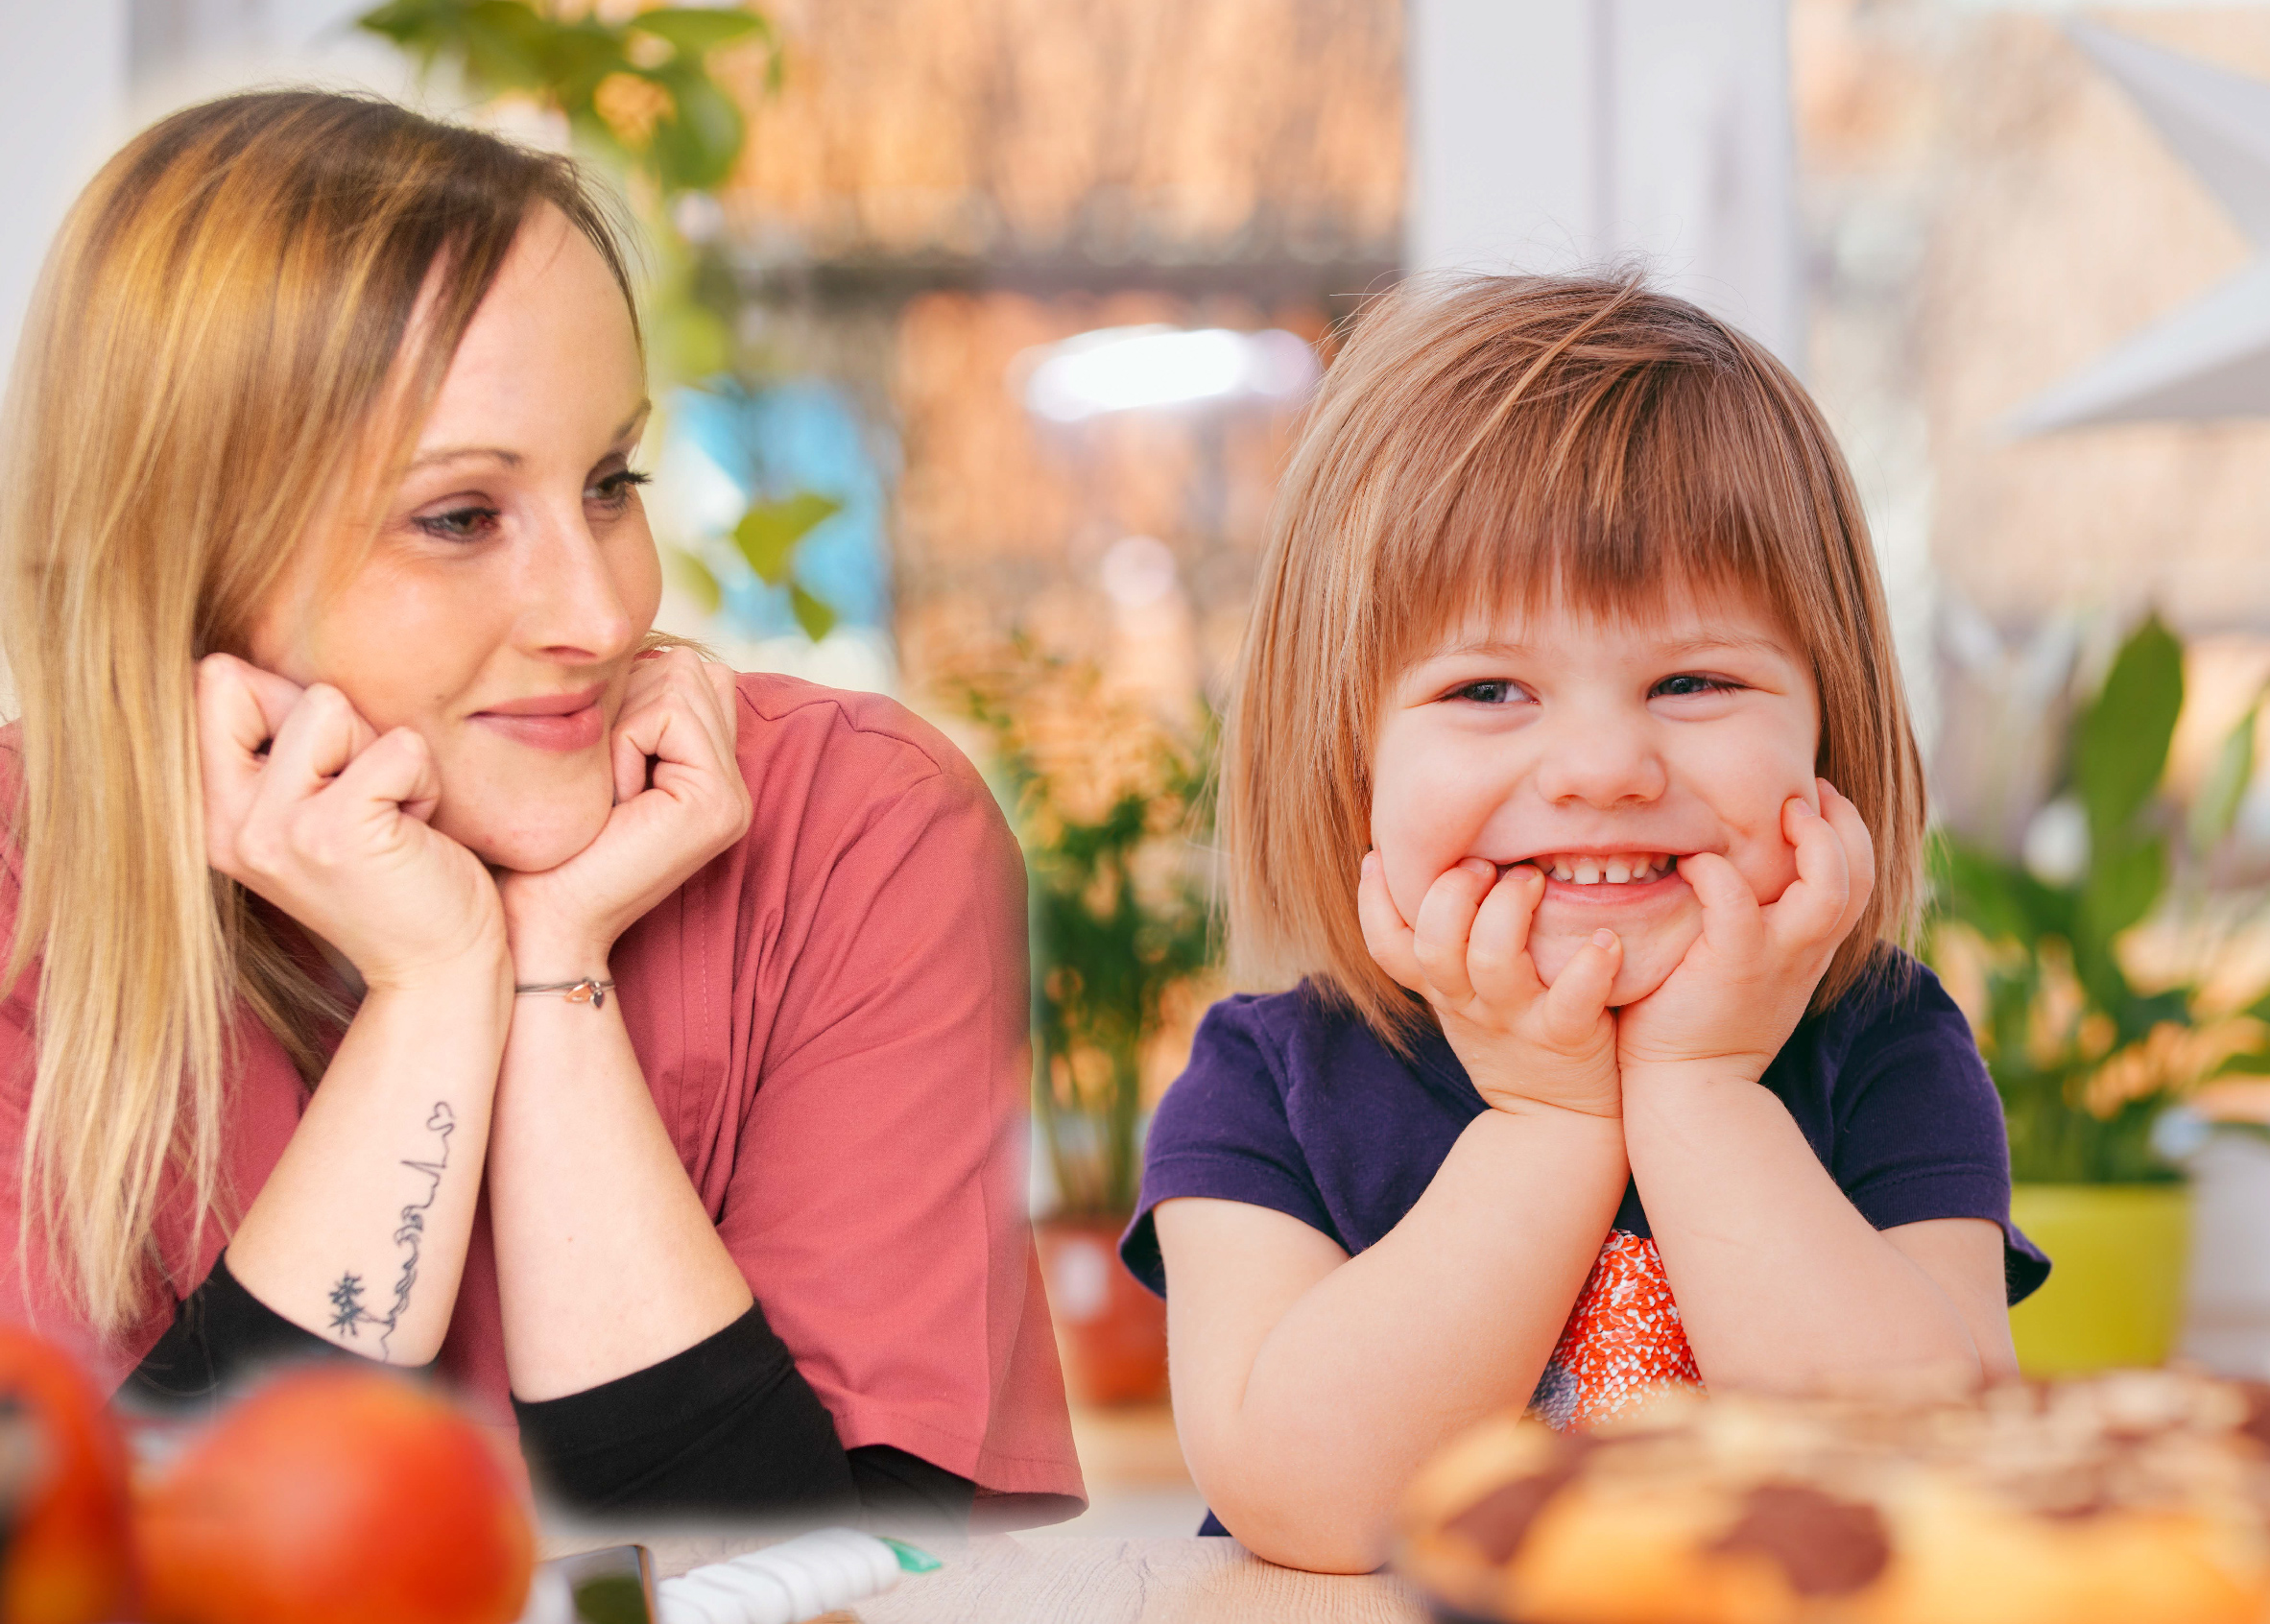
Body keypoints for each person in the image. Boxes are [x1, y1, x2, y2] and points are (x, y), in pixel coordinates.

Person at [0, 90, 1082, 1531]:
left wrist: (550, 959)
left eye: (611, 482)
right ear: (188, 557)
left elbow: (819, 1578)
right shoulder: (28, 883)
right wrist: (434, 984)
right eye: (459, 517)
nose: (604, 608)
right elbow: (108, 1575)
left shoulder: (858, 825)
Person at [1120, 275, 2046, 1571]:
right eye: (1488, 687)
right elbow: (1308, 1507)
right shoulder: (1263, 1083)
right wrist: (1547, 1121)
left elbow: (1924, 1487)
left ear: (1828, 732)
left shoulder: (1885, 1046)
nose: (1602, 765)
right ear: (1349, 763)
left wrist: (1700, 1093)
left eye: (1693, 679)